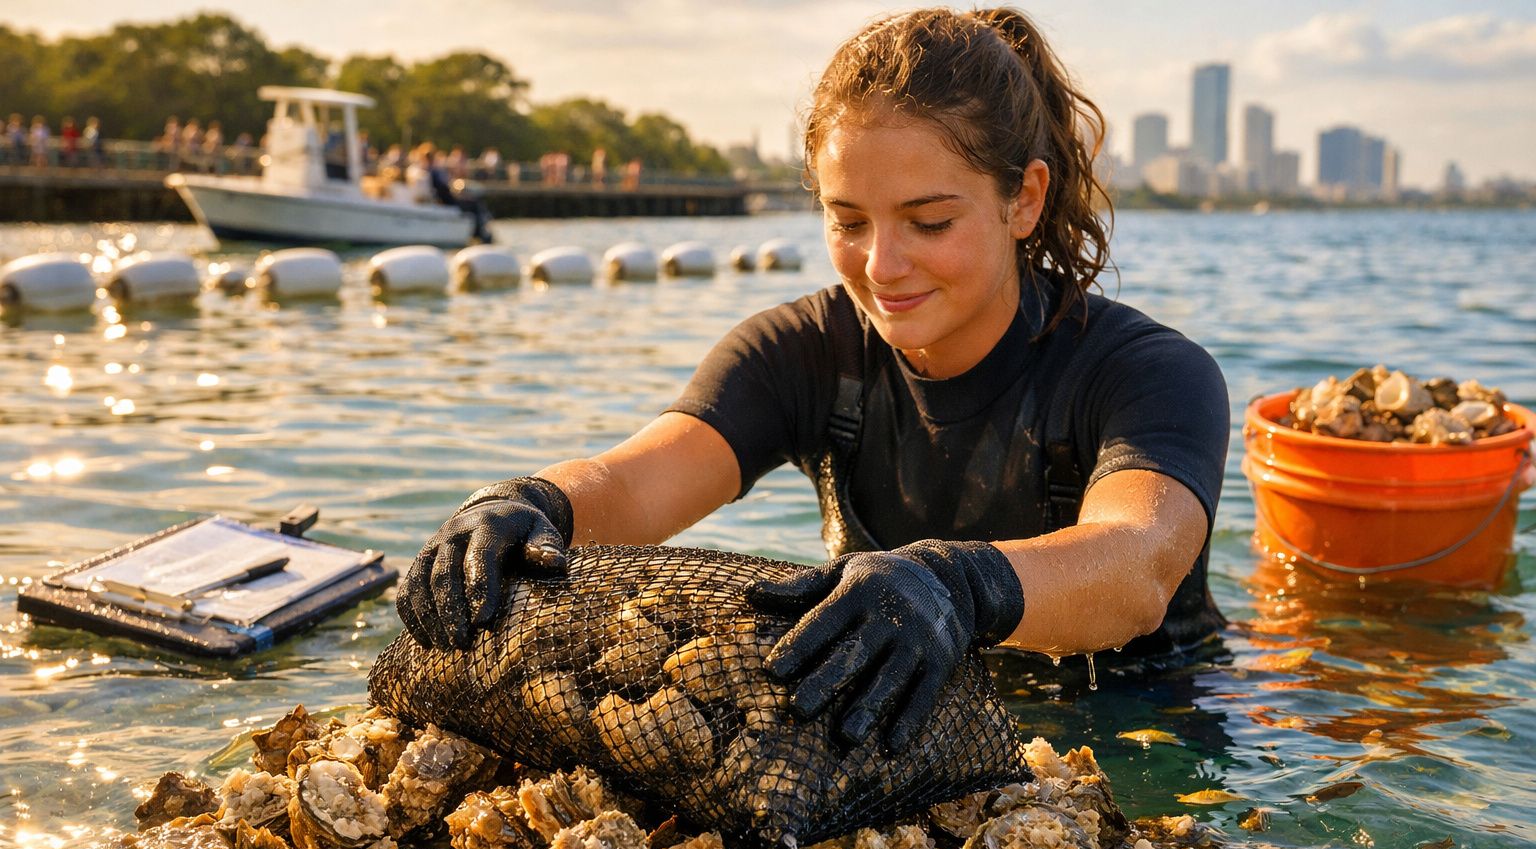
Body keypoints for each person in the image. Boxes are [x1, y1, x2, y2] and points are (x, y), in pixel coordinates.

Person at [396, 7, 1229, 753]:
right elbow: (642, 479)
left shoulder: (1149, 372)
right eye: (849, 220)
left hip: (1141, 719)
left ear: (1024, 200)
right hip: (894, 717)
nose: (883, 266)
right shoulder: (802, 351)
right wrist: (533, 503)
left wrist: (958, 585)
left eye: (929, 221)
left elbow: (1137, 566)